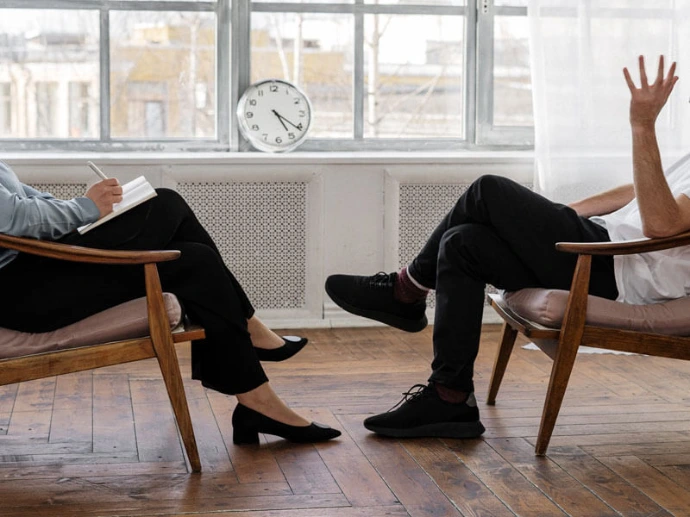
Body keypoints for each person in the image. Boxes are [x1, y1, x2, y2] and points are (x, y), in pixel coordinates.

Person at [326, 55, 689, 439]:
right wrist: (560, 214)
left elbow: (661, 224)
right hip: (601, 245)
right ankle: (450, 396)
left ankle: (405, 290)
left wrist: (642, 125)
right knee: (461, 243)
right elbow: (644, 189)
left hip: (614, 267)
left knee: (488, 190)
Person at [0, 163, 340, 445]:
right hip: (19, 292)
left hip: (33, 267)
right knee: (166, 204)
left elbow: (26, 198)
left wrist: (89, 208)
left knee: (197, 260)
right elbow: (13, 217)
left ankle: (256, 402)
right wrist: (86, 208)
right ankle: (249, 332)